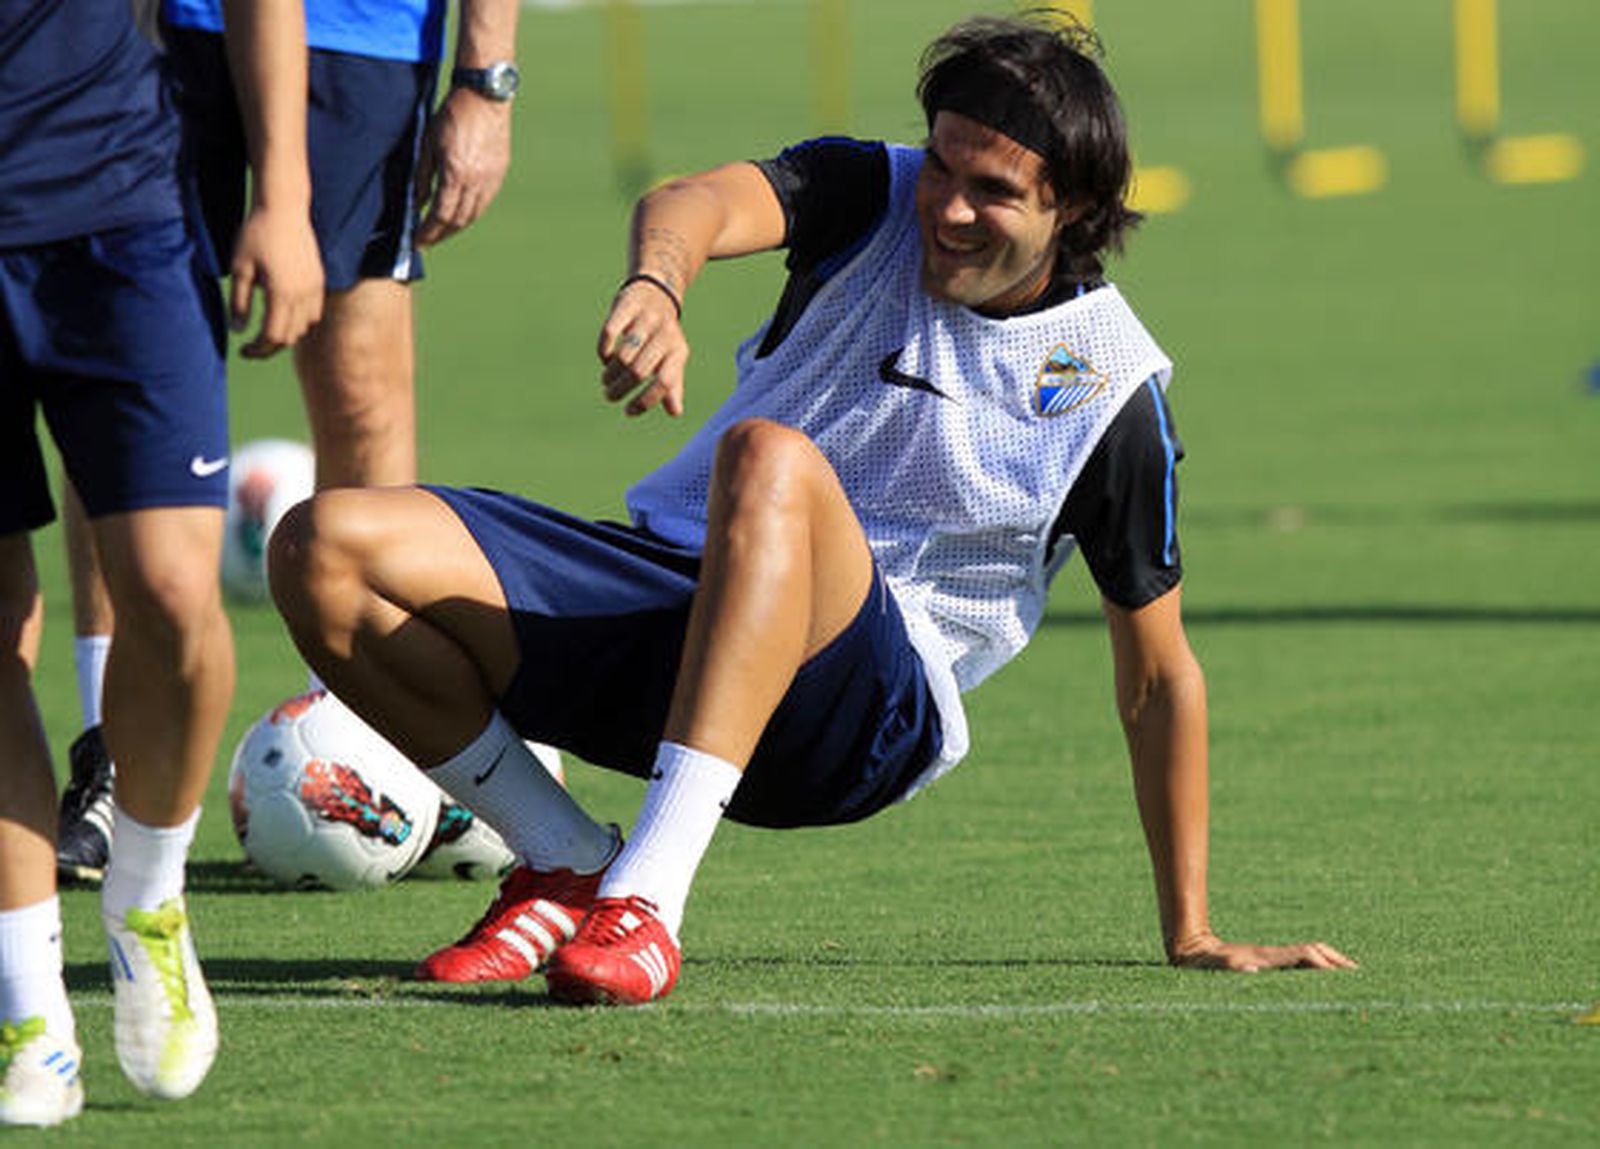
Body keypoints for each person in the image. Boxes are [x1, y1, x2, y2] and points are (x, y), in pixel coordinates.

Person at [270, 13, 1357, 1007]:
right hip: (685, 612)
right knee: (324, 546)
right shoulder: (863, 192)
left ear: (1071, 211)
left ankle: (646, 902)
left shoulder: (1111, 391)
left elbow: (1159, 675)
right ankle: (563, 859)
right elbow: (688, 203)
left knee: (770, 457)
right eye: (941, 164)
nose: (947, 206)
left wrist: (1194, 931)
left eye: (993, 192)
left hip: (861, 714)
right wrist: (657, 282)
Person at [54, 0, 531, 884]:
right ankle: (114, 755)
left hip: (365, 36)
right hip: (166, 35)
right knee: (125, 375)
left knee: (361, 397)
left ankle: (379, 745)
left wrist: (485, 81)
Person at [0, 0, 319, 1125]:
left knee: (178, 599)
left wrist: (282, 194)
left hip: (116, 203)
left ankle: (146, 894)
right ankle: (31, 1015)